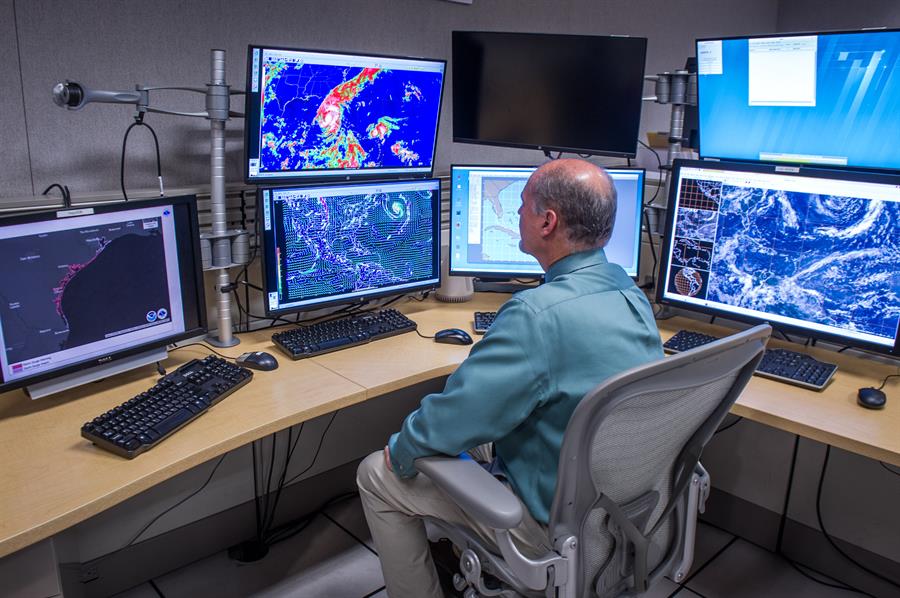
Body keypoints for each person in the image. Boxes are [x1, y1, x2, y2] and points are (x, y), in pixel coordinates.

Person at [357, 159, 663, 597]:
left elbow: (448, 421)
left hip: (551, 531)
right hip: (617, 515)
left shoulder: (534, 316)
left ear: (547, 221)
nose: (516, 214)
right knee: (479, 434)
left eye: (521, 205)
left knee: (377, 473)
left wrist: (400, 452)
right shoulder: (631, 298)